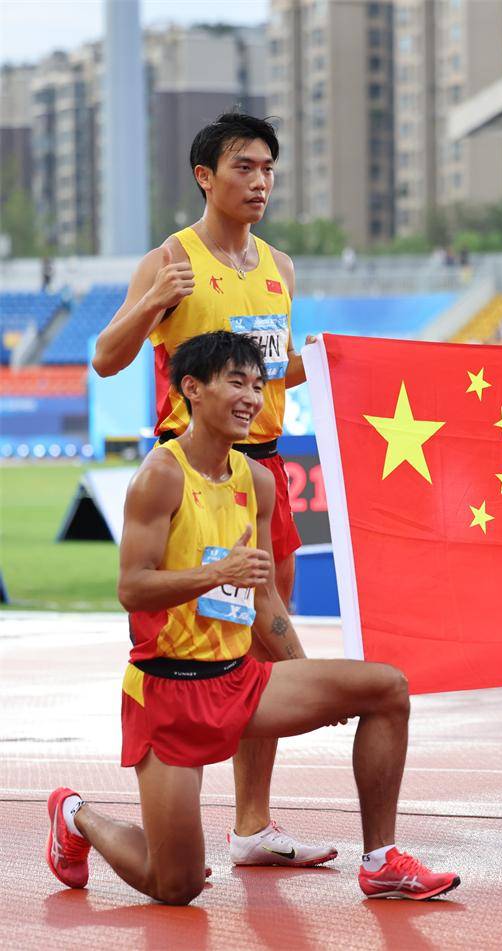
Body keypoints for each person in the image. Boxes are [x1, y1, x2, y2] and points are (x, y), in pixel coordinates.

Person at [46, 332, 461, 903]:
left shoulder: (258, 481)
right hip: (168, 692)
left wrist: (306, 675)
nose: (251, 397)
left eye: (258, 385)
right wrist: (215, 575)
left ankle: (382, 861)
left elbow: (263, 601)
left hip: (239, 682)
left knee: (385, 688)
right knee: (176, 886)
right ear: (192, 389)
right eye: (236, 382)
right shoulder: (160, 475)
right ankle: (77, 817)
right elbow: (132, 589)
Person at [91, 113, 325, 866]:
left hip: (265, 475)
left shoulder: (280, 268)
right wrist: (150, 299)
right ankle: (167, 791)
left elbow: (269, 370)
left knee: (264, 638)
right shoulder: (173, 259)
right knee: (203, 642)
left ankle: (253, 823)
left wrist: (322, 362)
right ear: (205, 176)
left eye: (269, 170)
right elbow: (105, 357)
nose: (260, 183)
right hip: (195, 477)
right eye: (244, 168)